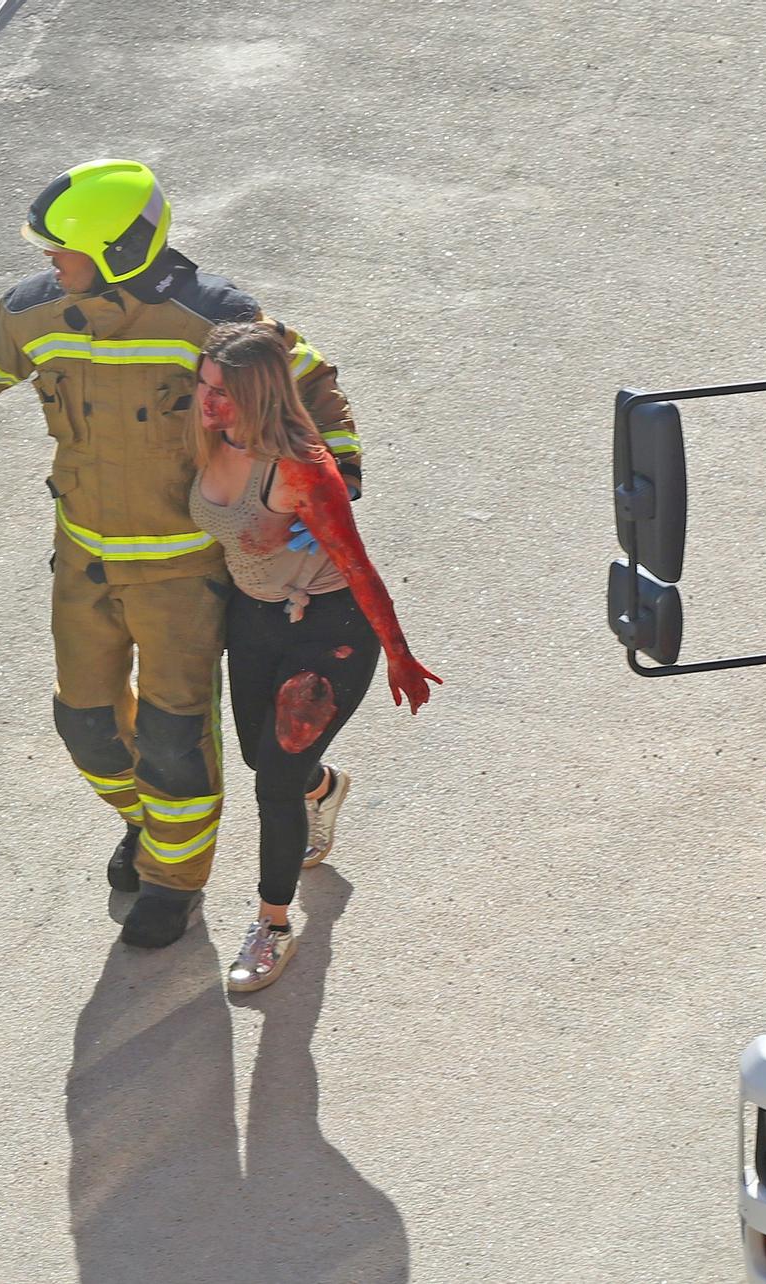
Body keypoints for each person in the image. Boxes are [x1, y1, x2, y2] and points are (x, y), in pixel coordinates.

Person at [0, 158, 361, 948]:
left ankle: (173, 882)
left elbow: (310, 386)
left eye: (63, 249)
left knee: (173, 736)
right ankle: (153, 826)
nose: (49, 262)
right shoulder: (40, 309)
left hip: (184, 572)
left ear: (119, 250)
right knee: (85, 722)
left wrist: (334, 483)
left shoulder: (212, 318)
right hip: (84, 558)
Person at [187, 320, 439, 991]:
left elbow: (359, 568)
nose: (207, 403)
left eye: (223, 393)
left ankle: (272, 927)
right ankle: (324, 789)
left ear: (262, 395)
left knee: (272, 780)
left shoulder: (302, 469)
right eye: (203, 386)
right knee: (257, 757)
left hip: (328, 628)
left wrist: (399, 656)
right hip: (253, 618)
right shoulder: (203, 437)